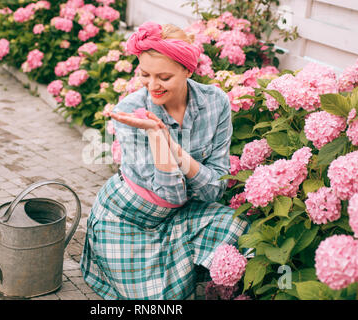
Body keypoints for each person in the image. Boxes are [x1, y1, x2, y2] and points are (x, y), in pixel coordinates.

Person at [80, 21, 249, 300]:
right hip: (127, 219)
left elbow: (215, 189)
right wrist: (158, 140)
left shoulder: (215, 102)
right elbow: (169, 194)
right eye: (145, 74)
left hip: (182, 214)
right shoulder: (130, 112)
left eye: (164, 77)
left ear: (187, 70)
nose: (152, 86)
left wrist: (173, 148)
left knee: (239, 228)